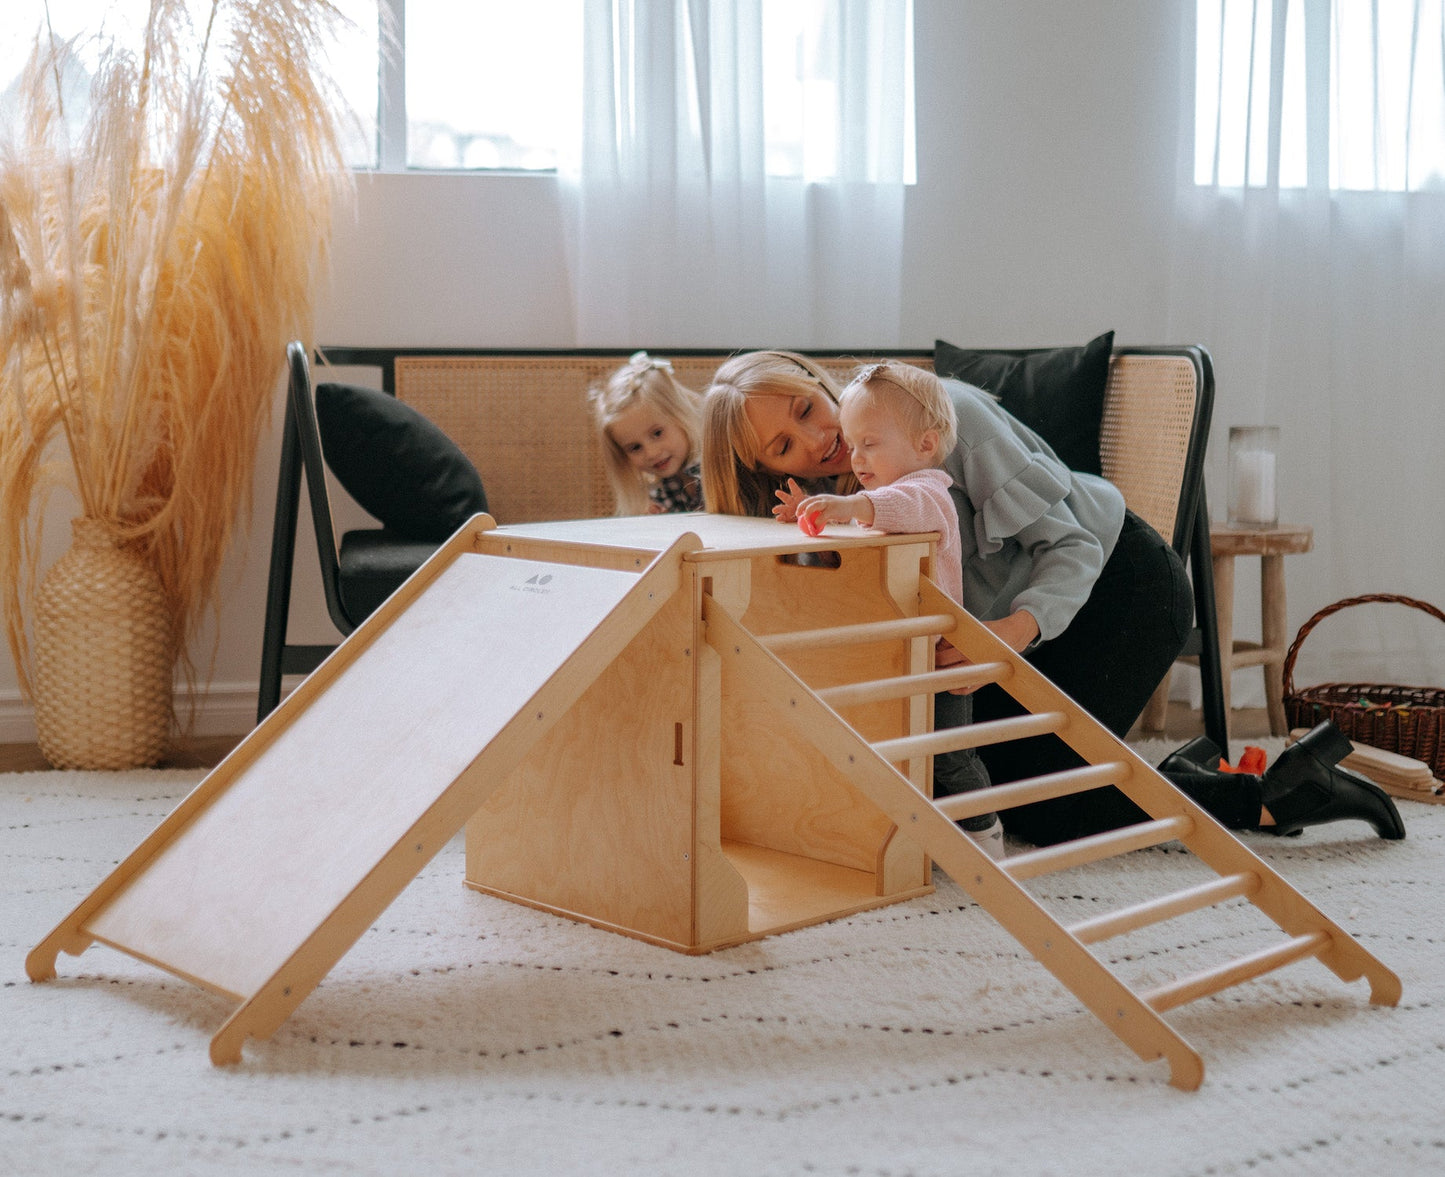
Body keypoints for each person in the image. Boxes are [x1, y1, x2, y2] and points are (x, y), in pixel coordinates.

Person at [701, 349, 1406, 846]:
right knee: (976, 777)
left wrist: (1008, 632)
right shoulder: (840, 489)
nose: (816, 441)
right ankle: (1186, 766)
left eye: (804, 409)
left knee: (1045, 808)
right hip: (1015, 624)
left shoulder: (944, 421)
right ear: (768, 471)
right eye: (784, 447)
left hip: (1115, 583)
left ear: (816, 380)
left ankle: (1278, 794)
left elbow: (1067, 546)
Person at [785, 361, 1000, 857]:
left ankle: (987, 836)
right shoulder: (878, 498)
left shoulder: (930, 492)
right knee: (899, 756)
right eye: (852, 443)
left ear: (925, 445)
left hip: (937, 661)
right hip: (897, 658)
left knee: (950, 757)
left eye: (870, 444)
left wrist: (846, 508)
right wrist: (812, 514)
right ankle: (913, 844)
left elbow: (898, 508)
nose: (856, 458)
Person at [589, 351, 704, 515]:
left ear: (680, 415)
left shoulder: (715, 470)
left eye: (657, 433)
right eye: (635, 447)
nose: (651, 453)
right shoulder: (663, 488)